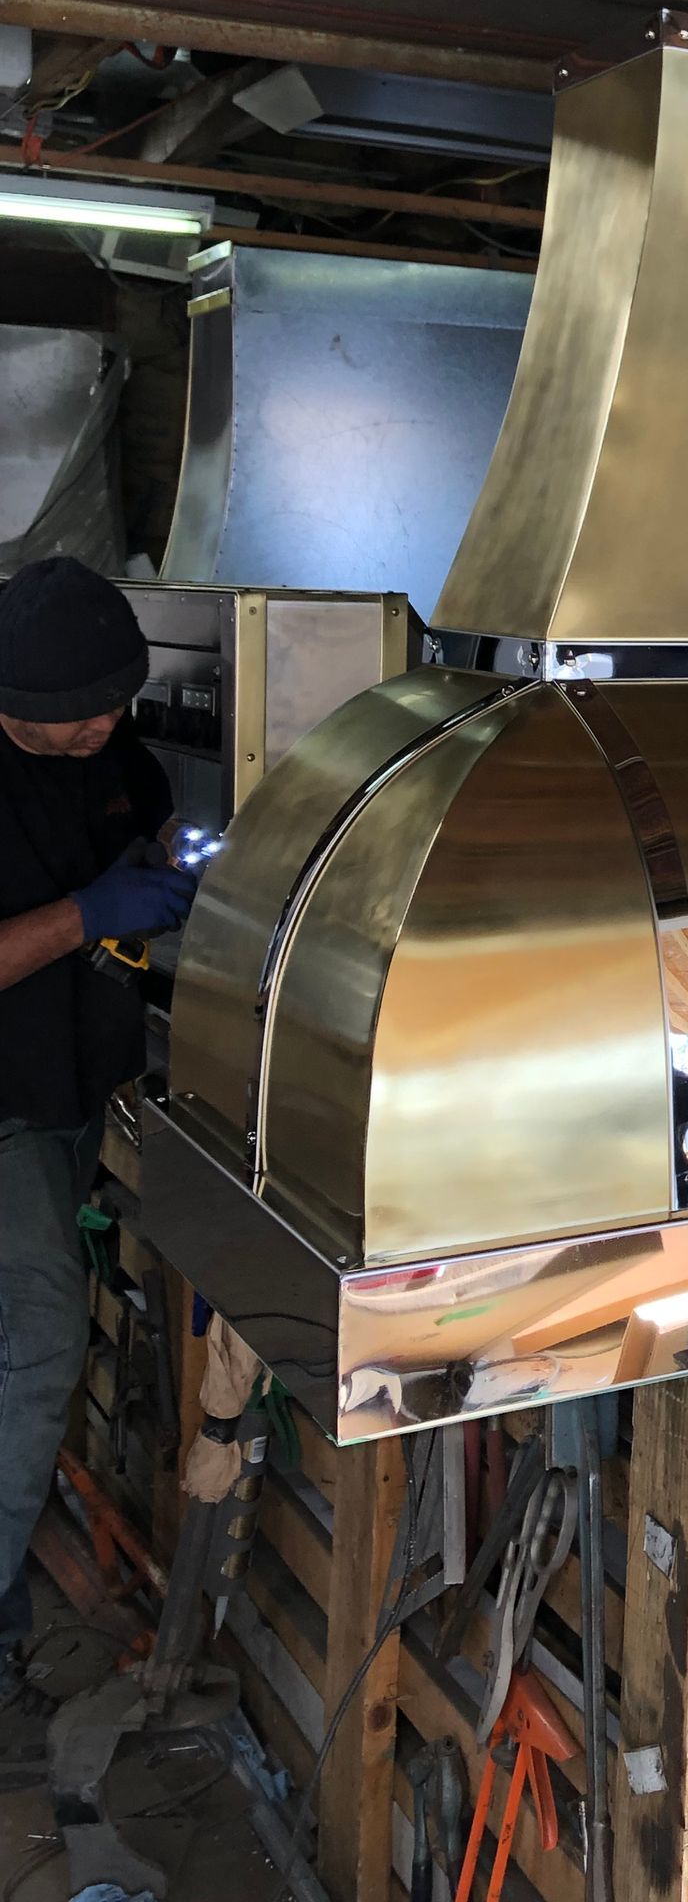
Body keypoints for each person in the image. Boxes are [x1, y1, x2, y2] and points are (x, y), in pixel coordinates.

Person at [0, 558, 196, 1716]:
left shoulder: (114, 750)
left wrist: (167, 870)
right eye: (81, 712)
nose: (105, 726)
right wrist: (86, 916)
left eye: (119, 702)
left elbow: (159, 828)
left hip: (82, 1083)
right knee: (37, 1339)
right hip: (3, 1105)